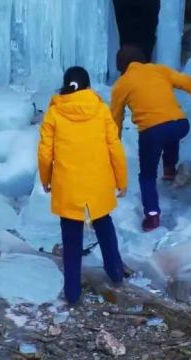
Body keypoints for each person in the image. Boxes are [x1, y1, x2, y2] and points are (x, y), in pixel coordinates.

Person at [37, 66, 128, 305]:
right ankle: (116, 272)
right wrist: (121, 179)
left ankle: (72, 292)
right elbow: (114, 147)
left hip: (68, 185)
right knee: (104, 226)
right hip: (97, 184)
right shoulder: (101, 110)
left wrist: (45, 178)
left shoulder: (54, 113)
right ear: (88, 86)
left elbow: (45, 152)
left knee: (71, 238)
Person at [111, 45, 191, 231]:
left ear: (120, 66)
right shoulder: (159, 70)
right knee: (170, 135)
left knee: (147, 176)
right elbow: (189, 83)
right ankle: (170, 167)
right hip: (180, 124)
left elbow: (116, 118)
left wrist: (113, 145)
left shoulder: (122, 84)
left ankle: (152, 216)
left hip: (152, 132)